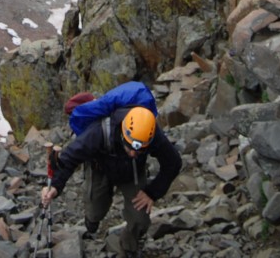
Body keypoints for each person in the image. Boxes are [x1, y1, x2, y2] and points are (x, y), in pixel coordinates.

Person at [41, 105, 182, 257]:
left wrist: (152, 193)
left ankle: (129, 246)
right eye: (130, 147)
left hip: (132, 173)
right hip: (100, 169)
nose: (134, 153)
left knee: (140, 220)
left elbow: (173, 162)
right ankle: (92, 221)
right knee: (95, 211)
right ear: (123, 134)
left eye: (140, 150)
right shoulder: (100, 132)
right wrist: (55, 185)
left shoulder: (151, 134)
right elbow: (70, 157)